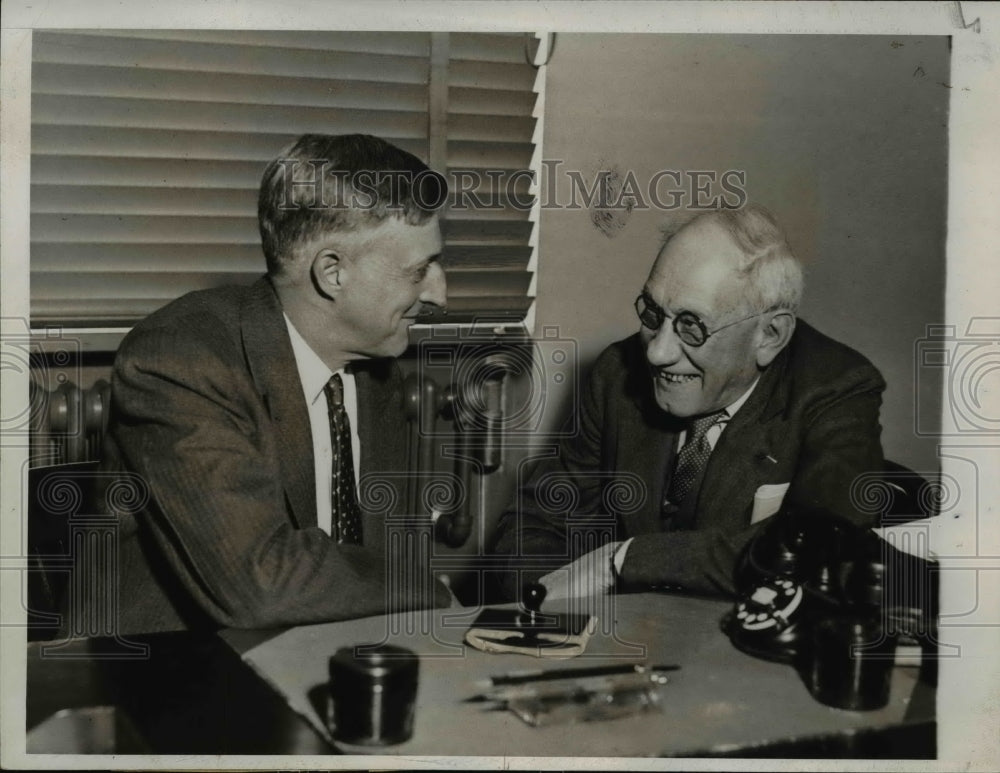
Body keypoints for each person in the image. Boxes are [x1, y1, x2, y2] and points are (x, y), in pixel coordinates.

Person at [82, 134, 453, 635]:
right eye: (419, 271)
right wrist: (427, 586)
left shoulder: (374, 368)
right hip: (165, 677)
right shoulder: (180, 359)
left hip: (309, 654)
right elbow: (260, 583)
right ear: (332, 273)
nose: (439, 293)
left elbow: (377, 563)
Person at [492, 204, 886, 601]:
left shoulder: (838, 390)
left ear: (769, 335)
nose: (657, 354)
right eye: (652, 313)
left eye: (691, 326)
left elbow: (818, 550)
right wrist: (550, 610)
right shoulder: (616, 373)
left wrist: (621, 563)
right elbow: (533, 525)